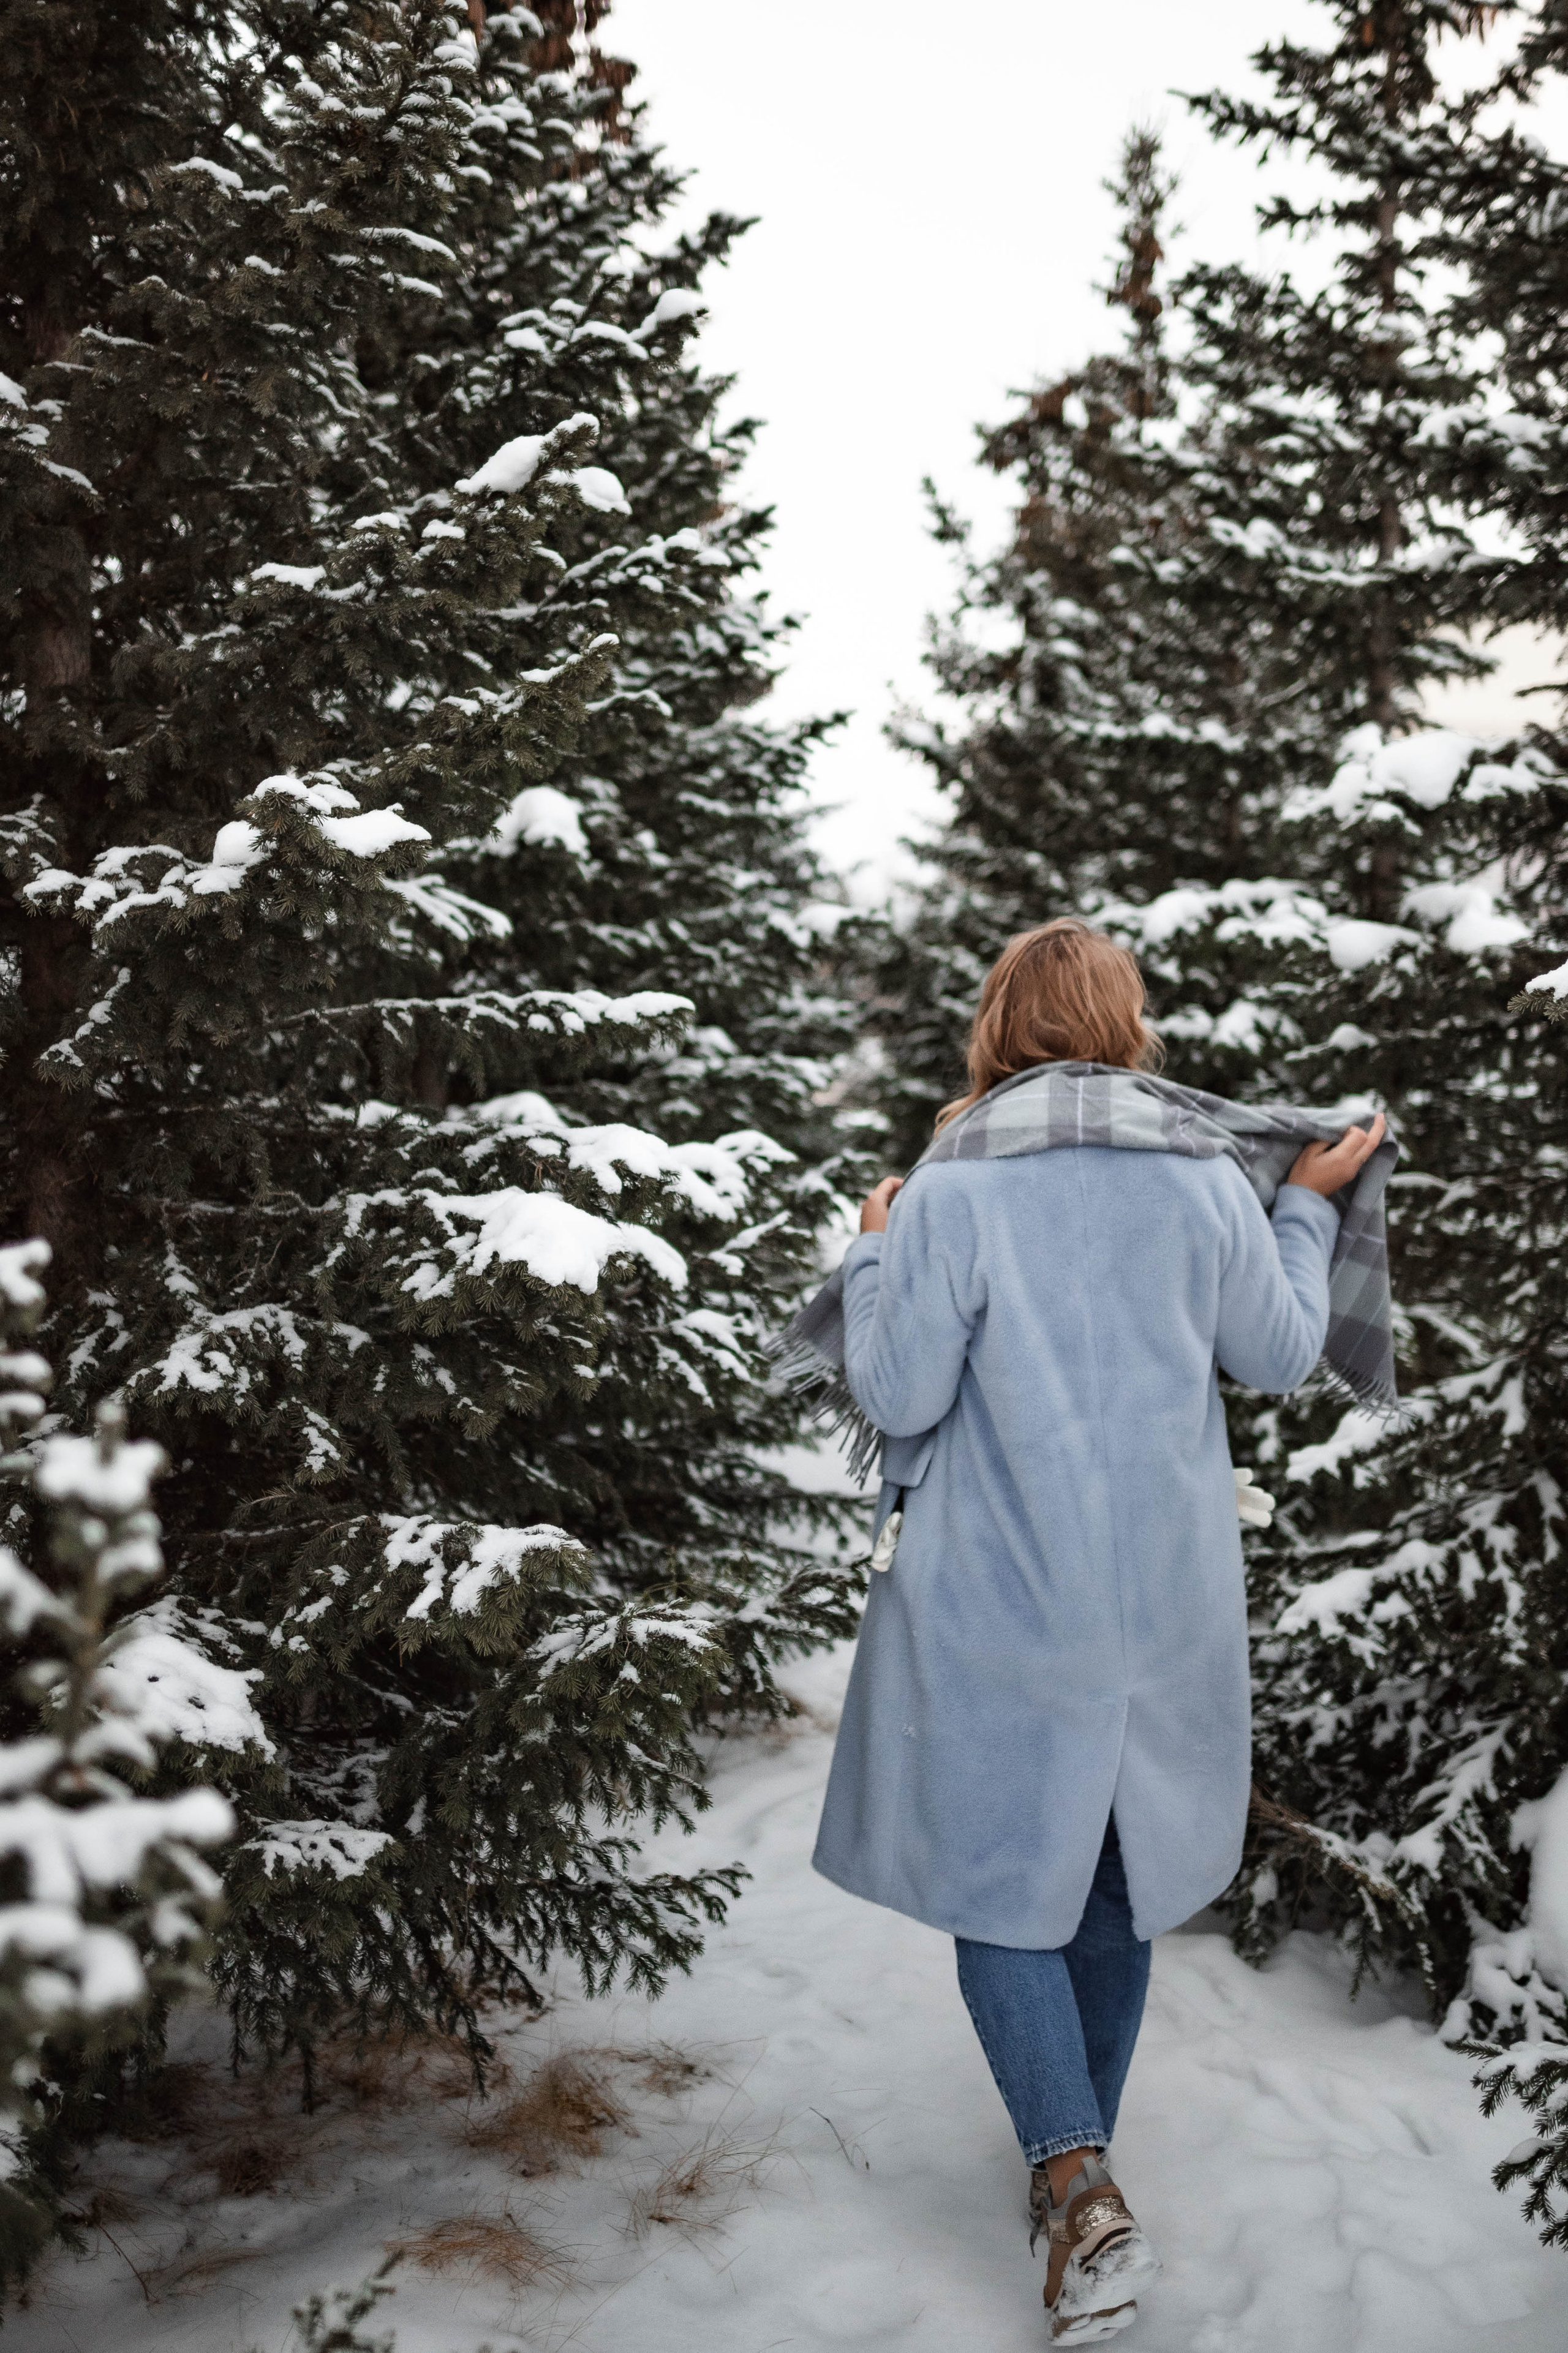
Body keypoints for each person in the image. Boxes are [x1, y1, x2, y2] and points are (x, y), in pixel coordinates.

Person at [809, 919, 1388, 2344]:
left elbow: (893, 1394)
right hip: (1160, 1599)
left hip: (997, 1592)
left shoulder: (951, 1188)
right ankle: (1079, 2184)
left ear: (997, 1029)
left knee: (1000, 1884)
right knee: (1112, 1882)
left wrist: (873, 1251)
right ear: (1123, 1021)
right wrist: (1303, 1209)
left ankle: (1075, 2179)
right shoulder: (1201, 1178)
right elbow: (1272, 1352)